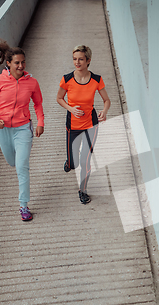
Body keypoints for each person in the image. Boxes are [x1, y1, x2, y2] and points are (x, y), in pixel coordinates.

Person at [0, 40, 44, 221]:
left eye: (23, 62)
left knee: (22, 166)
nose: (21, 66)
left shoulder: (32, 83)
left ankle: (23, 206)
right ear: (8, 63)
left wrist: (40, 122)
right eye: (17, 63)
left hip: (23, 128)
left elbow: (37, 104)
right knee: (12, 162)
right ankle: (16, 163)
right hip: (3, 129)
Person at [57, 45, 111, 204]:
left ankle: (83, 190)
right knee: (73, 163)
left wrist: (104, 111)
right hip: (73, 125)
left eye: (81, 59)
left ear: (88, 61)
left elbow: (107, 100)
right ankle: (69, 162)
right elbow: (59, 98)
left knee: (85, 160)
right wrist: (71, 109)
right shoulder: (67, 79)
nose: (77, 62)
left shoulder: (96, 79)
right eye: (74, 59)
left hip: (90, 125)